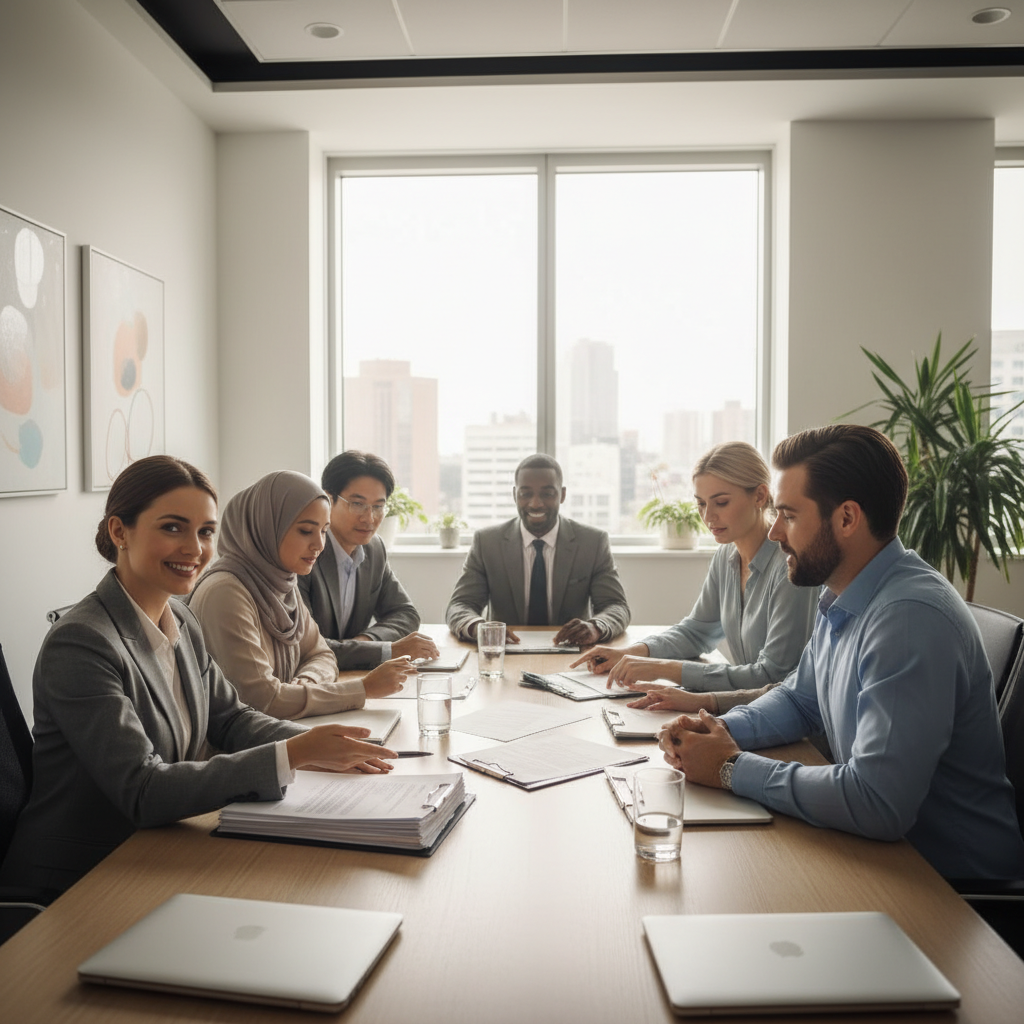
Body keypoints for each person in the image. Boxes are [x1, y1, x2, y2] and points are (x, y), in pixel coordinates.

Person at [0, 456, 397, 900]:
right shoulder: (81, 642)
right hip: (80, 878)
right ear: (119, 532)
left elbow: (231, 719)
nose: (195, 548)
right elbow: (143, 789)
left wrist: (326, 747)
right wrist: (293, 752)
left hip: (157, 850)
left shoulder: (181, 620)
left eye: (206, 532)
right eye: (173, 527)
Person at [661, 424, 1024, 880]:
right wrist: (712, 730)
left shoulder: (907, 618)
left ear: (847, 519)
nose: (774, 533)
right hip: (884, 858)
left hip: (950, 890)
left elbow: (876, 801)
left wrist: (731, 767)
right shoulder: (844, 595)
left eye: (789, 515)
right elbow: (798, 699)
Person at [570, 442, 817, 714]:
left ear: (760, 496)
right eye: (700, 504)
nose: (708, 517)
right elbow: (697, 631)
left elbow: (772, 676)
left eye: (721, 502)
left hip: (791, 723)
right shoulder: (726, 556)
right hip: (748, 709)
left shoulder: (790, 565)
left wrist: (666, 670)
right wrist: (633, 652)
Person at [188, 470, 416, 719]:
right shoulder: (226, 593)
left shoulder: (281, 584)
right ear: (268, 526)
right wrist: (363, 689)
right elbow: (264, 701)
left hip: (287, 732)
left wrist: (307, 680)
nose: (319, 545)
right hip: (243, 751)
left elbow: (322, 654)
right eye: (306, 531)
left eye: (323, 531)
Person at [445, 453, 631, 644]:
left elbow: (616, 606)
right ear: (514, 495)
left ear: (562, 495)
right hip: (504, 651)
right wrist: (479, 628)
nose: (535, 503)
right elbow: (460, 605)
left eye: (547, 494)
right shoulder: (487, 543)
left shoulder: (592, 543)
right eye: (525, 494)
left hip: (572, 653)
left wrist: (596, 627)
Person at [298, 450, 439, 670]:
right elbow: (306, 647)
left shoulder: (374, 549)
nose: (369, 518)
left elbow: (405, 614)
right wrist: (388, 650)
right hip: (306, 680)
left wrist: (365, 642)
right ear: (328, 499)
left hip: (352, 675)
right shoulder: (305, 553)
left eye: (378, 506)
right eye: (357, 504)